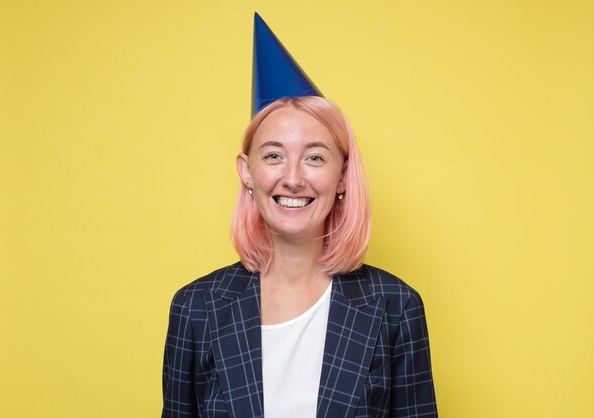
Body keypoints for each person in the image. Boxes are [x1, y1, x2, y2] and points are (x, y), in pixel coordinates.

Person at [161, 14, 437, 418]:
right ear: (247, 171)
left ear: (342, 175)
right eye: (273, 155)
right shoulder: (196, 307)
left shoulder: (395, 306)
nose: (292, 178)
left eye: (314, 158)